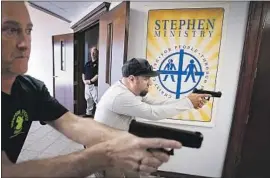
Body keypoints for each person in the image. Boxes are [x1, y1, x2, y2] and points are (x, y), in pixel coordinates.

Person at [1, 2, 182, 177]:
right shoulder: (117, 92)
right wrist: (94, 157)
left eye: (28, 31)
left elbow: (73, 123)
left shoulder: (32, 89)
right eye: (10, 29)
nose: (24, 43)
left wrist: (126, 141)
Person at [94, 58, 209, 177]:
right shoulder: (120, 96)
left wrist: (188, 100)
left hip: (120, 142)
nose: (150, 83)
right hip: (105, 150)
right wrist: (188, 103)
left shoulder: (131, 90)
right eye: (146, 79)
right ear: (132, 79)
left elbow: (157, 103)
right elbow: (153, 113)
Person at [82, 46, 99, 117]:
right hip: (87, 84)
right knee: (88, 99)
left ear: (97, 53)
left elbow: (99, 74)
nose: (93, 53)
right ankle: (88, 113)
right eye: (92, 51)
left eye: (94, 51)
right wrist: (84, 80)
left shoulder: (99, 63)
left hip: (94, 85)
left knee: (97, 100)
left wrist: (91, 81)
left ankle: (99, 115)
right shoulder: (87, 63)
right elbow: (83, 73)